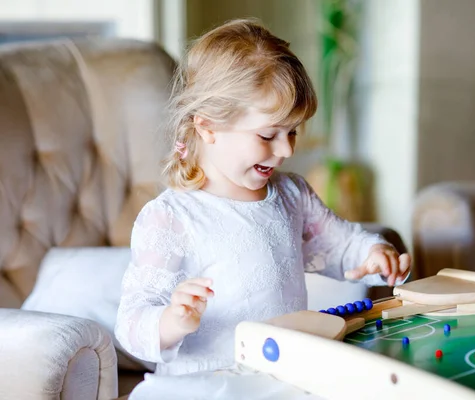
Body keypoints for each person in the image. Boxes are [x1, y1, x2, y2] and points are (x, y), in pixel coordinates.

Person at [115, 18, 411, 398]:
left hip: (285, 376)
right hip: (209, 384)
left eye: (292, 132)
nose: (286, 150)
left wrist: (374, 254)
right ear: (208, 127)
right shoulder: (172, 217)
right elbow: (131, 321)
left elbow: (340, 243)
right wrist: (170, 320)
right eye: (268, 135)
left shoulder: (291, 194)